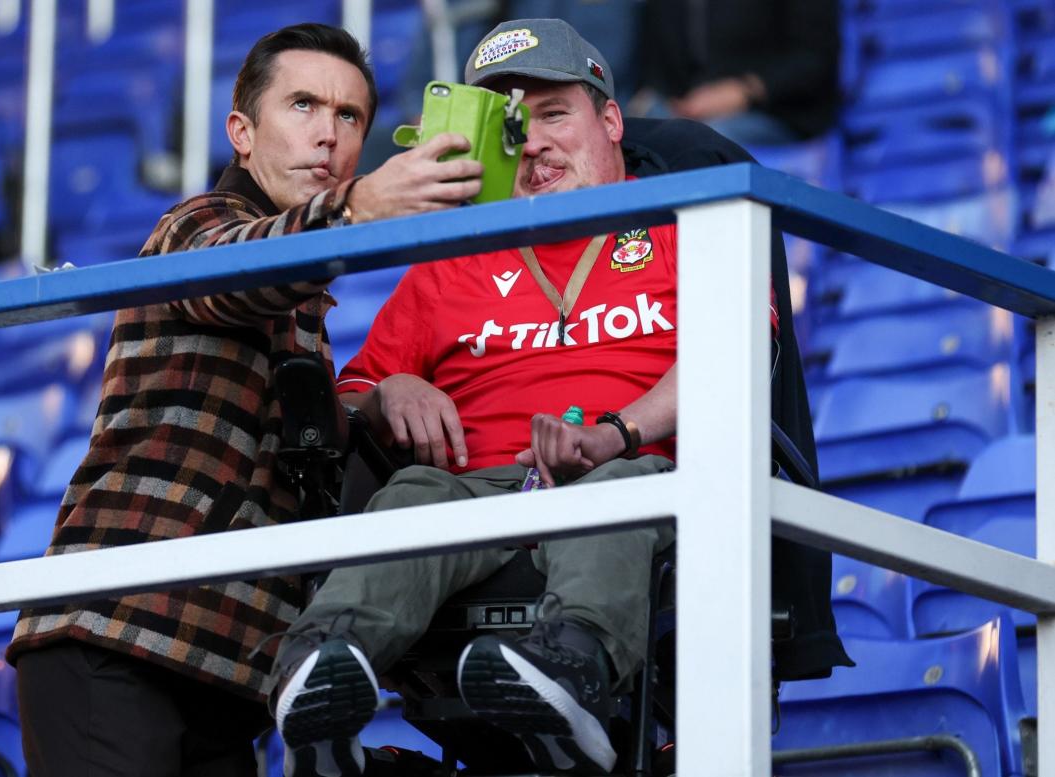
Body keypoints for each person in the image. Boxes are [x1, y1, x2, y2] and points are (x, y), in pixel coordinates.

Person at [265, 19, 852, 777]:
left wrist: (616, 433)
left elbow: (733, 356)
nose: (533, 142)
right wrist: (390, 391)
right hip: (476, 490)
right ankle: (321, 673)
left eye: (553, 113)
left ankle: (566, 675)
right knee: (413, 492)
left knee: (620, 491)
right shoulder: (454, 256)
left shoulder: (690, 220)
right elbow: (356, 389)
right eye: (511, 125)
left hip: (635, 477)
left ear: (609, 120)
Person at [5, 23, 484, 777]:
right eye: (301, 105)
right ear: (242, 132)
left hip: (225, 672)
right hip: (118, 635)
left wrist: (378, 397)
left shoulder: (307, 310)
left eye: (348, 115)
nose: (326, 134)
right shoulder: (193, 225)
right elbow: (230, 274)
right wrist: (358, 208)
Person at [629, 0, 839, 147]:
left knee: (706, 140)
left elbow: (816, 58)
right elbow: (656, 62)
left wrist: (747, 90)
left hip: (777, 112)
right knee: (631, 134)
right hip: (687, 110)